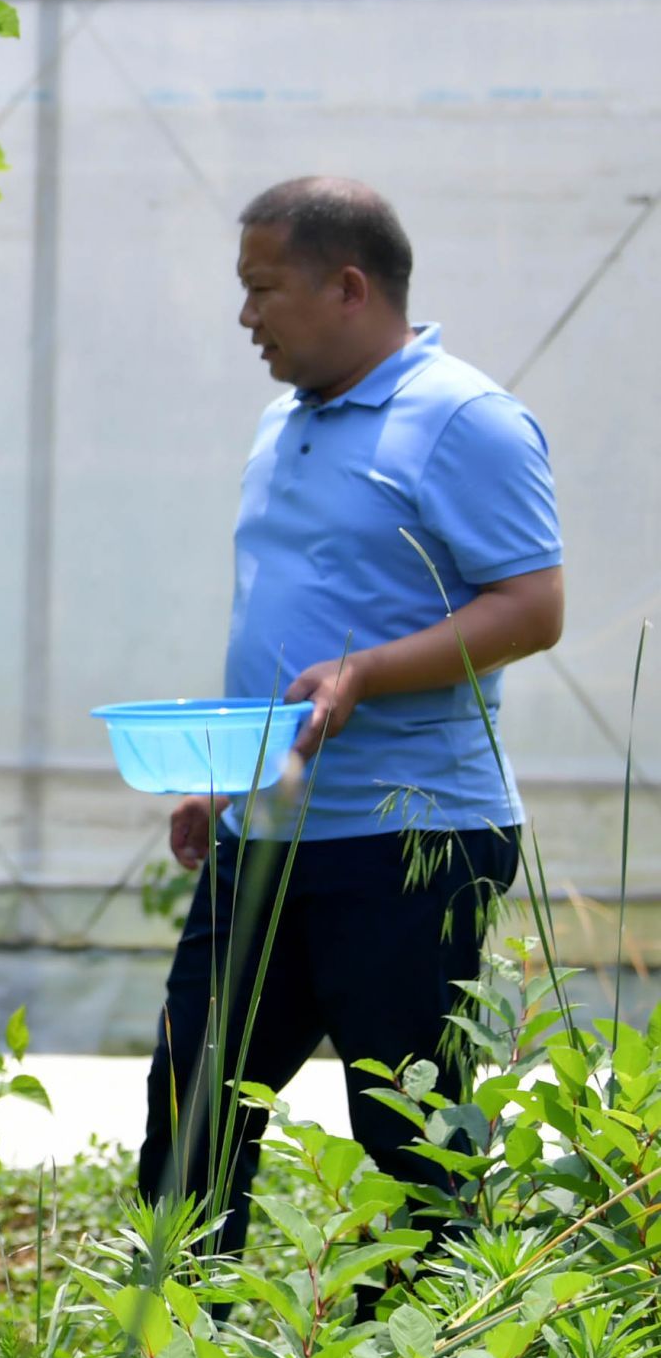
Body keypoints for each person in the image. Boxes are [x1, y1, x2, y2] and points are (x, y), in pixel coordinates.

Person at [139, 177, 562, 1261]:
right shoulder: (285, 420)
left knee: (411, 1136)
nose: (246, 316)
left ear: (348, 286)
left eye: (263, 288)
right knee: (192, 1101)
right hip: (267, 831)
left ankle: (428, 1349)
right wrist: (234, 773)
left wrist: (366, 674)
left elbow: (533, 606)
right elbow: (297, 618)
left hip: (408, 838)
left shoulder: (467, 421)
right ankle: (178, 1341)